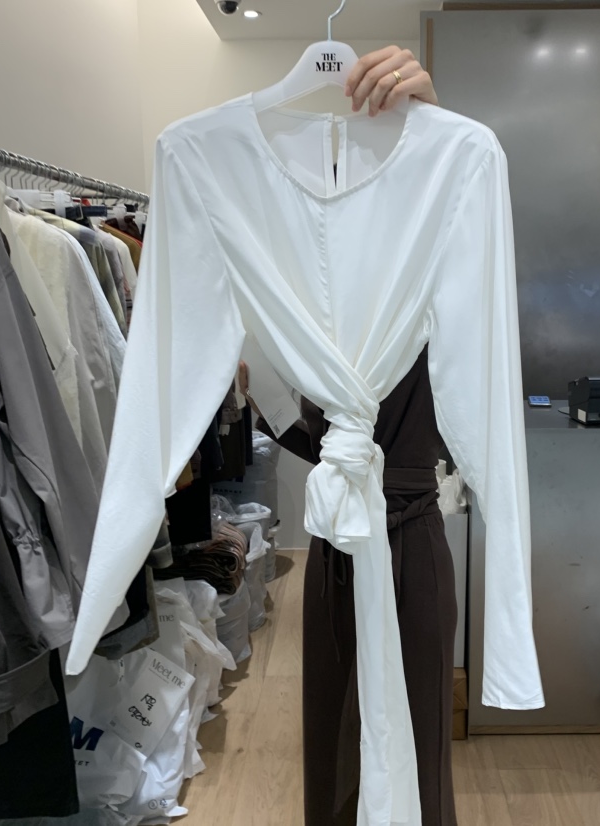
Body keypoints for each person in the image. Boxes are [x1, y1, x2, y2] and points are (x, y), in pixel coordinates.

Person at [241, 47, 456, 826]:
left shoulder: (440, 239)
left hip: (409, 530)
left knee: (418, 752)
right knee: (334, 747)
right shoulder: (297, 275)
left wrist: (430, 126)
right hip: (338, 539)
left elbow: (474, 382)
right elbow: (293, 421)